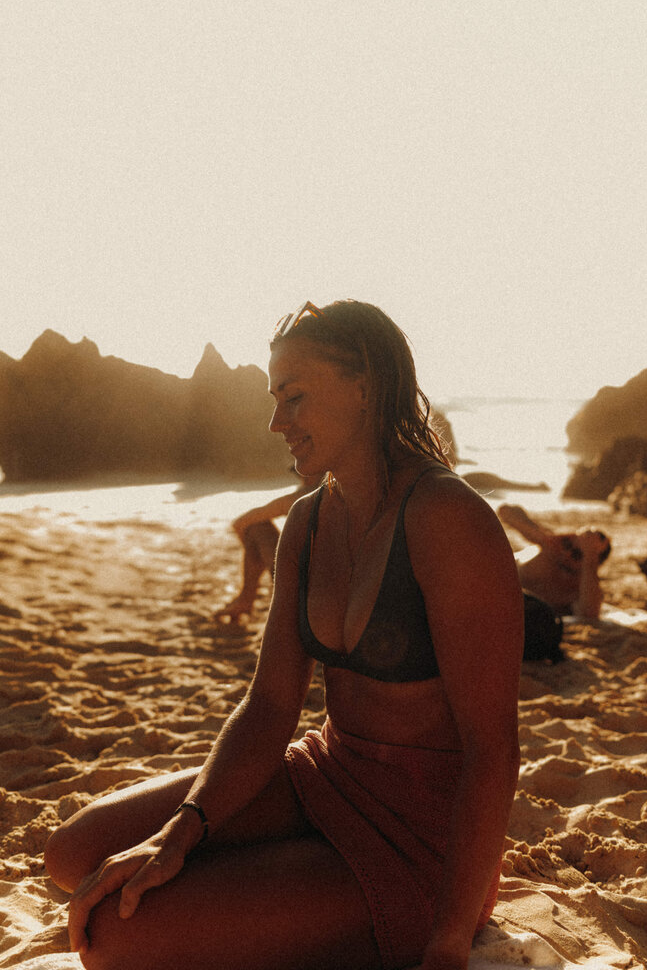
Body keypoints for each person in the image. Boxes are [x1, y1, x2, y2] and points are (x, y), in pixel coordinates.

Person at [44, 300, 524, 970]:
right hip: (327, 775)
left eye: (294, 398)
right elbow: (270, 706)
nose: (276, 423)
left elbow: (493, 748)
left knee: (114, 938)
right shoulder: (307, 523)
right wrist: (180, 834)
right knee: (72, 853)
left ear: (366, 387)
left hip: (421, 838)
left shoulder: (447, 518)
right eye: (275, 401)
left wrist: (448, 939)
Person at [217, 472, 322, 622]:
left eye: (302, 474)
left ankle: (246, 598)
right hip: (326, 585)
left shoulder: (306, 496)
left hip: (306, 588)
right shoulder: (339, 492)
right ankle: (245, 599)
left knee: (256, 527)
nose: (301, 479)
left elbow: (240, 523)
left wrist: (254, 557)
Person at [497, 503, 611, 620]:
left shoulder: (580, 587)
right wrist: (544, 537)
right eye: (568, 544)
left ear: (591, 563)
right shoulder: (548, 543)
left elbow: (589, 614)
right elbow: (505, 511)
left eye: (577, 554)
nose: (568, 553)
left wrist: (590, 554)